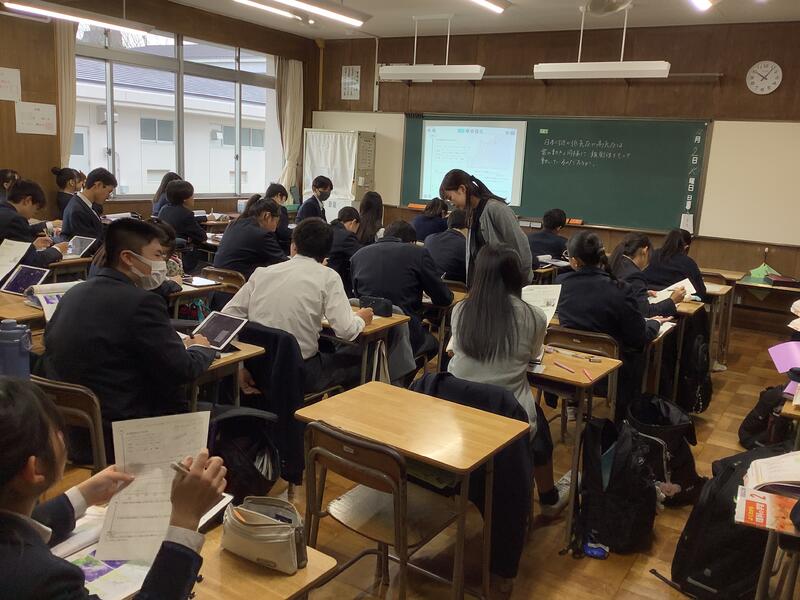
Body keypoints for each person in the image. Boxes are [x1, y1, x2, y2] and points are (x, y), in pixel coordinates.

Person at [0, 377, 227, 600]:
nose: (62, 436)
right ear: (36, 468)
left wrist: (81, 496)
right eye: (56, 433)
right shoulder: (45, 580)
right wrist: (185, 521)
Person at [43, 219, 216, 462]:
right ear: (128, 258)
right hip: (125, 434)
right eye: (157, 255)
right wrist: (200, 348)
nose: (162, 264)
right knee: (215, 416)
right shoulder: (142, 302)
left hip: (73, 431)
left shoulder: (74, 292)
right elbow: (183, 370)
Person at [448, 245, 570, 517]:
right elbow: (533, 355)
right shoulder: (533, 316)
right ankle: (548, 498)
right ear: (516, 276)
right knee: (540, 428)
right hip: (506, 411)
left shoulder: (460, 310)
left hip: (457, 404)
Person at [223, 218, 374, 394]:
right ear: (327, 252)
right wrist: (360, 319)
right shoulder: (328, 277)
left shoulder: (262, 273)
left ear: (294, 246)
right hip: (300, 373)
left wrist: (240, 366)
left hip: (257, 369)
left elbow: (225, 318)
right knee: (362, 360)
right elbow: (346, 331)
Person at [556, 231, 662, 420]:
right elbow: (638, 337)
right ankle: (629, 420)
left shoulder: (560, 285)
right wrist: (654, 323)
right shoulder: (620, 289)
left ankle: (574, 402)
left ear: (574, 261)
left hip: (569, 366)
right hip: (611, 372)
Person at [351, 220, 453, 355]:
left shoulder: (358, 255)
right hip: (404, 332)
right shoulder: (418, 253)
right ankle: (404, 368)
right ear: (412, 242)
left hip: (369, 330)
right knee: (433, 344)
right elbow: (443, 298)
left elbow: (357, 295)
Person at [439, 169, 532, 286]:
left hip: (503, 286)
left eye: (450, 198)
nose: (451, 204)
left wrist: (521, 285)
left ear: (462, 189)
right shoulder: (471, 213)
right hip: (484, 286)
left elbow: (521, 248)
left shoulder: (497, 210)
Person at [610, 233, 686, 318]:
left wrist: (643, 294)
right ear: (645, 251)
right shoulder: (634, 275)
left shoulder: (615, 264)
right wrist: (672, 300)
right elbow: (646, 312)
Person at [213, 195, 286, 280]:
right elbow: (283, 262)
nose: (275, 228)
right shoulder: (262, 234)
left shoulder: (234, 224)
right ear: (267, 216)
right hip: (240, 282)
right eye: (276, 222)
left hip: (217, 279)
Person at [0, 180, 68, 268]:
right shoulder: (15, 220)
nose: (32, 216)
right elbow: (32, 261)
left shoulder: (4, 211)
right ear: (27, 201)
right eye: (35, 210)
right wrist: (58, 249)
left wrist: (32, 246)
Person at [158, 180, 207, 273]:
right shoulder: (186, 214)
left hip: (166, 251)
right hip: (183, 255)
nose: (193, 198)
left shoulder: (164, 209)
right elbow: (202, 236)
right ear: (185, 199)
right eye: (192, 195)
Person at [644, 228, 707, 300]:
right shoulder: (688, 262)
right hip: (677, 302)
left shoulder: (651, 256)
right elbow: (701, 291)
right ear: (686, 247)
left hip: (650, 299)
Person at [62, 167, 116, 241]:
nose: (108, 197)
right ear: (98, 185)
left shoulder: (86, 204)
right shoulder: (77, 211)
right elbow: (90, 243)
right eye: (109, 192)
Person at [424, 208, 468, 283]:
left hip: (427, 286)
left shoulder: (429, 239)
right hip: (457, 288)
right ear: (468, 225)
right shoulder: (466, 246)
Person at [327, 206, 362, 297]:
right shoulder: (346, 236)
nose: (355, 232)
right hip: (337, 282)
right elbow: (361, 255)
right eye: (357, 228)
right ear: (353, 222)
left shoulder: (328, 229)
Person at [265, 182, 292, 253]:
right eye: (283, 200)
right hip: (273, 247)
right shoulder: (280, 209)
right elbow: (283, 233)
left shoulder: (257, 206)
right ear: (279, 195)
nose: (283, 203)